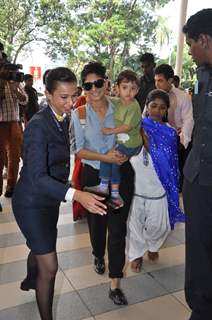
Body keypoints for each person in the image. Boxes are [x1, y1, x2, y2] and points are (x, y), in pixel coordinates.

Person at [12, 67, 107, 320]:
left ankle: (31, 278)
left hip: (50, 199)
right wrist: (76, 194)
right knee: (51, 266)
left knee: (40, 246)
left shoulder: (62, 118)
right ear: (48, 94)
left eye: (73, 95)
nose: (70, 102)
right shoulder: (38, 126)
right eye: (63, 97)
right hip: (30, 202)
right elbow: (36, 176)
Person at [71, 61, 135, 305]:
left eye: (98, 83)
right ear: (83, 87)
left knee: (118, 229)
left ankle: (115, 283)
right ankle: (98, 254)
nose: (94, 89)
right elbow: (79, 150)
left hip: (122, 173)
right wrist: (104, 157)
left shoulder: (121, 106)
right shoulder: (80, 113)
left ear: (107, 83)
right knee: (98, 226)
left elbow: (134, 134)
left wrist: (127, 154)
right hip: (94, 176)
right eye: (88, 85)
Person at [127, 89, 185, 272]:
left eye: (162, 108)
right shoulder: (135, 125)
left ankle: (152, 245)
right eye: (153, 106)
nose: (157, 111)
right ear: (147, 106)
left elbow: (169, 160)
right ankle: (136, 254)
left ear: (167, 110)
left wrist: (147, 141)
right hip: (136, 183)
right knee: (134, 223)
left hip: (158, 185)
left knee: (159, 225)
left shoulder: (169, 132)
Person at [182, 9, 212, 320]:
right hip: (197, 179)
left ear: (204, 39)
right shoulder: (202, 75)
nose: (190, 50)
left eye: (191, 44)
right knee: (198, 252)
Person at [86, 70, 142, 209]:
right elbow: (105, 98)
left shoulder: (133, 106)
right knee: (111, 160)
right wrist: (93, 96)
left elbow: (127, 127)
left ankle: (108, 189)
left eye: (133, 88)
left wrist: (110, 131)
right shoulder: (118, 102)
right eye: (124, 87)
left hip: (131, 143)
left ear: (138, 90)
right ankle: (113, 192)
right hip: (123, 141)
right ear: (117, 88)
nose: (128, 92)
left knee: (110, 158)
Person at [153, 64, 194, 189]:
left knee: (174, 179)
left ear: (170, 81)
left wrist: (182, 141)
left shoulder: (183, 97)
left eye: (160, 80)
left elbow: (188, 120)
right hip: (156, 140)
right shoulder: (153, 95)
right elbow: (145, 116)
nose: (157, 84)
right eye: (155, 80)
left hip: (176, 142)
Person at [0, 44, 28, 201]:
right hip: (1, 123)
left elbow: (25, 101)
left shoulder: (15, 81)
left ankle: (11, 186)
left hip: (15, 122)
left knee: (15, 156)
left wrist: (15, 88)